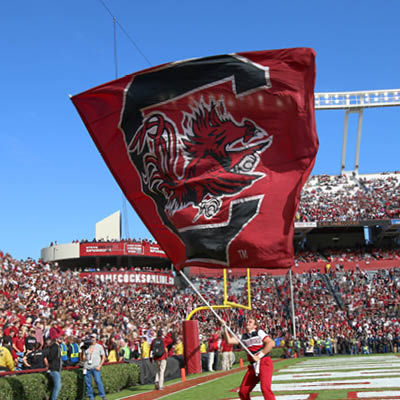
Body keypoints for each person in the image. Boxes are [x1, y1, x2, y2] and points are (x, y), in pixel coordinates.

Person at [224, 318, 276, 400]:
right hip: (253, 366)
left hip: (264, 362)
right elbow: (229, 341)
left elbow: (271, 343)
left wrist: (259, 356)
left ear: (255, 326)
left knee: (265, 389)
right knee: (243, 392)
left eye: (250, 322)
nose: (247, 323)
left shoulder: (259, 332)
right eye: (247, 321)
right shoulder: (242, 336)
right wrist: (224, 328)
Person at [82, 333, 107, 400]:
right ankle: (91, 397)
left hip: (96, 367)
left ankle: (103, 396)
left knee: (98, 381)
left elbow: (103, 357)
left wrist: (100, 365)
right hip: (87, 368)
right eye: (91, 338)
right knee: (88, 384)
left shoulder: (99, 346)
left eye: (93, 338)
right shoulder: (86, 347)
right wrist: (83, 351)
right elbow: (83, 358)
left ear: (96, 339)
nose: (92, 339)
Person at [44, 335, 63, 400]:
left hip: (56, 368)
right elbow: (50, 357)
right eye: (60, 338)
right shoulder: (55, 347)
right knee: (58, 385)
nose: (62, 340)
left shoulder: (57, 347)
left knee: (57, 385)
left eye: (62, 338)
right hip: (53, 368)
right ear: (57, 339)